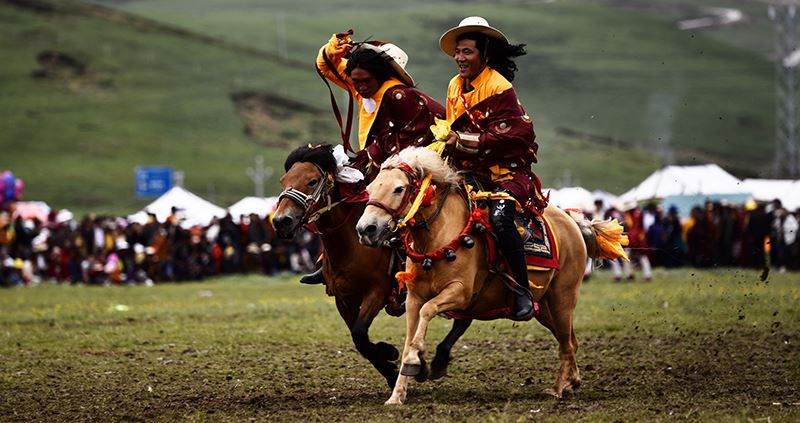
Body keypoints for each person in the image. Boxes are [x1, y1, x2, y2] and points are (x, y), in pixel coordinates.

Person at [304, 30, 446, 285]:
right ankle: (329, 260)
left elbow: (414, 142)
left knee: (390, 204)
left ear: (382, 76)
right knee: (340, 193)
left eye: (364, 81)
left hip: (413, 167)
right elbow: (325, 66)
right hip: (381, 164)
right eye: (354, 80)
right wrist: (335, 46)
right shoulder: (365, 88)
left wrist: (374, 155)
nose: (358, 86)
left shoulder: (401, 96)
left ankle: (404, 267)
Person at [440, 16, 546, 321]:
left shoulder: (498, 86)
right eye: (458, 51)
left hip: (508, 173)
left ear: (484, 54)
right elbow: (450, 129)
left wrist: (461, 141)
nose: (460, 58)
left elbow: (519, 135)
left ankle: (522, 291)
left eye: (467, 52)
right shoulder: (453, 86)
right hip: (470, 172)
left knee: (500, 218)